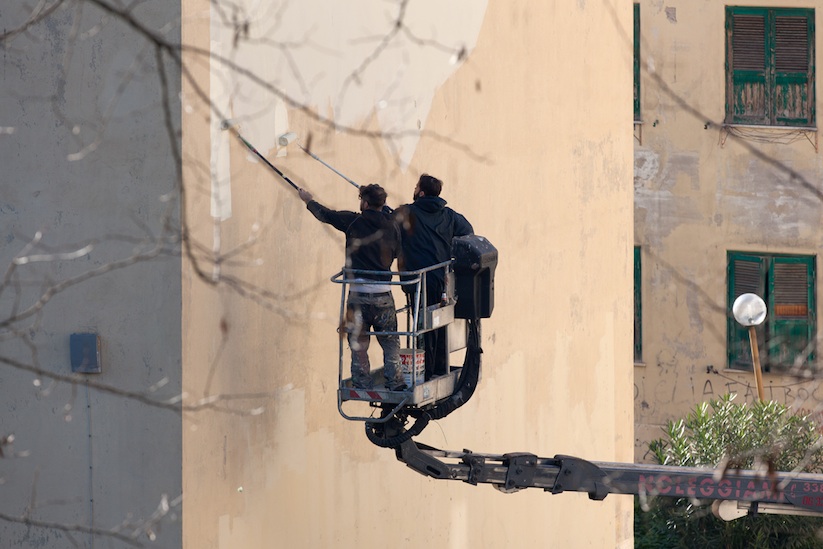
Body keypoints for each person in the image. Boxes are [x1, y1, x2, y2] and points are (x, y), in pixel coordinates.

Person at [298, 184, 407, 391]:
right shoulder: (392, 226)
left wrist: (308, 200)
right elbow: (397, 252)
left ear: (364, 203)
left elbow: (326, 215)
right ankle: (396, 382)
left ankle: (362, 382)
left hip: (357, 296)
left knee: (358, 342)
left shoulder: (353, 221)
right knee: (390, 340)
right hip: (383, 294)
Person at [393, 174, 474, 380]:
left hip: (418, 281)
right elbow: (468, 231)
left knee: (421, 327)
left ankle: (424, 372)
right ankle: (438, 367)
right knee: (437, 322)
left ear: (421, 192)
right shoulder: (448, 215)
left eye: (416, 186)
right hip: (441, 280)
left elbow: (388, 223)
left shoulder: (408, 212)